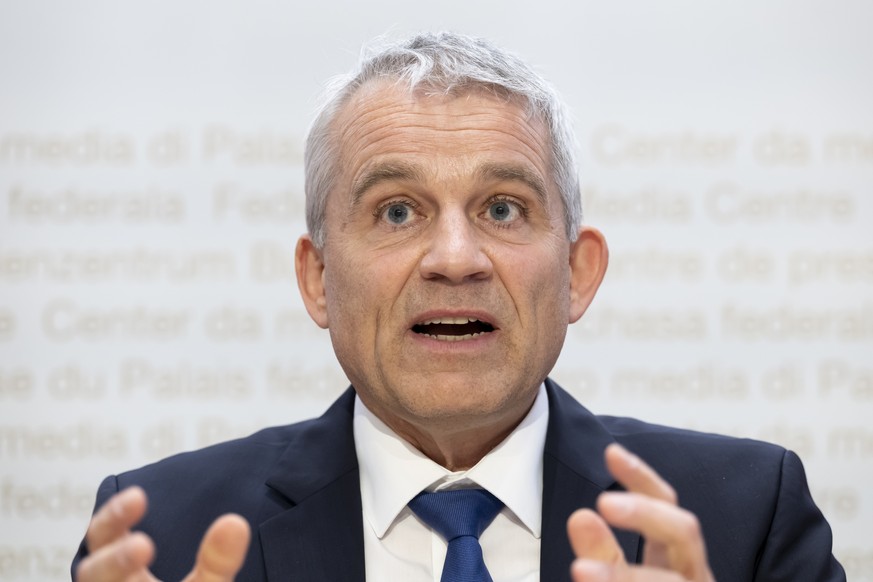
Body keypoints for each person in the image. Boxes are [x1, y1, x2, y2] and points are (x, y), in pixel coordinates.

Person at [72, 32, 845, 582]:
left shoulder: (744, 520)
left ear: (577, 272)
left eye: (502, 209)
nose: (454, 258)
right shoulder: (161, 538)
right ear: (317, 278)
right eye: (396, 212)